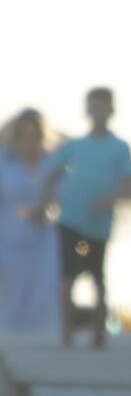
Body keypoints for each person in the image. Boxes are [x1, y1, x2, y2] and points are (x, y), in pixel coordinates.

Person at [37, 88, 131, 348]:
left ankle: (98, 333)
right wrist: (47, 202)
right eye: (92, 106)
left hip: (98, 228)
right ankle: (66, 333)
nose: (97, 111)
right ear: (86, 110)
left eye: (102, 106)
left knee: (97, 279)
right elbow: (52, 174)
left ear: (111, 110)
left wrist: (110, 199)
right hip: (70, 221)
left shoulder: (120, 147)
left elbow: (128, 185)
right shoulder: (73, 146)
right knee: (67, 277)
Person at [0, 109, 62, 336]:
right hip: (7, 235)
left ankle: (44, 339)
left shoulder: (52, 161)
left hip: (43, 236)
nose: (29, 140)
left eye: (34, 135)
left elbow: (63, 197)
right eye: (23, 135)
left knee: (45, 288)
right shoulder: (3, 160)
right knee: (10, 291)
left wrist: (45, 210)